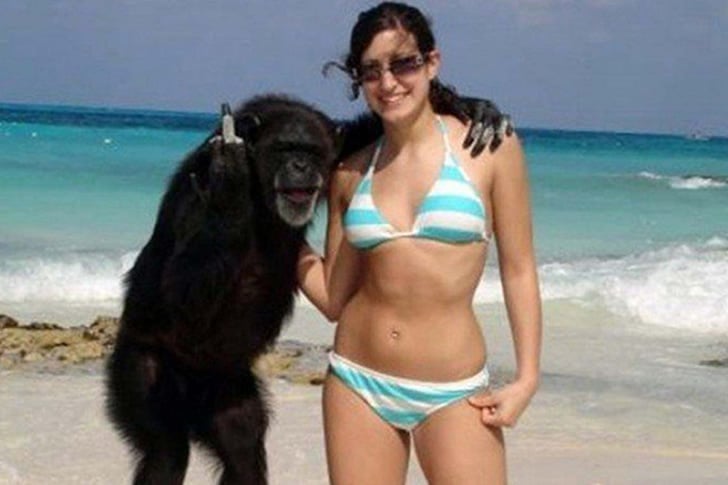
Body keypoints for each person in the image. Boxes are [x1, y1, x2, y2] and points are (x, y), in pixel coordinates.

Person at [297, 2, 541, 483]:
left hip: (454, 390)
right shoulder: (350, 171)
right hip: (356, 382)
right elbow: (332, 299)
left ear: (432, 62)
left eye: (403, 64)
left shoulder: (490, 148)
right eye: (371, 71)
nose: (388, 83)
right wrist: (278, 234)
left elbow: (519, 269)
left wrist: (527, 378)